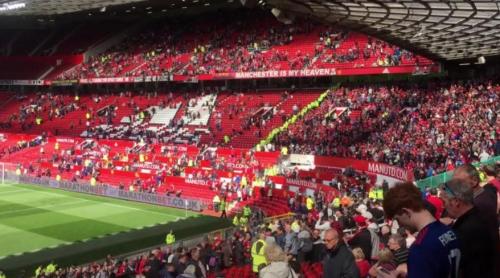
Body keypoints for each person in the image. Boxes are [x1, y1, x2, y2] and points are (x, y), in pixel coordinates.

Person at [380, 182, 460, 278]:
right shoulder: (448, 230)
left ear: (405, 212)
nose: (400, 224)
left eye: (397, 219)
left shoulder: (420, 248)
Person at [440, 179, 496, 278]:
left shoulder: (464, 231)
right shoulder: (478, 215)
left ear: (456, 201)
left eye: (444, 202)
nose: (442, 206)